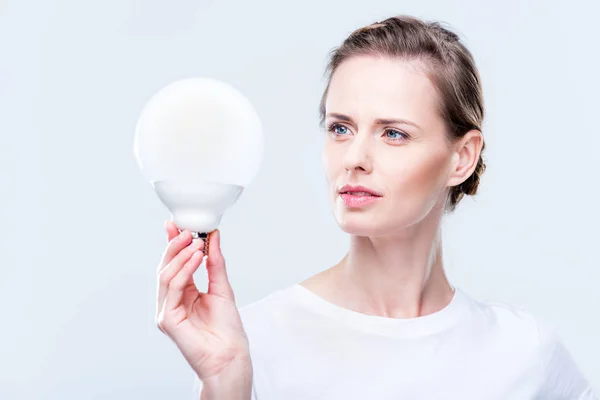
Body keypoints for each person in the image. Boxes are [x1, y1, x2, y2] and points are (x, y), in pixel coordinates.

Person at [155, 15, 596, 400]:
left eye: (394, 134)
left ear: (461, 158)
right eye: (341, 128)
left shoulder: (524, 354)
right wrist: (226, 385)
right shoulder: (254, 341)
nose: (354, 158)